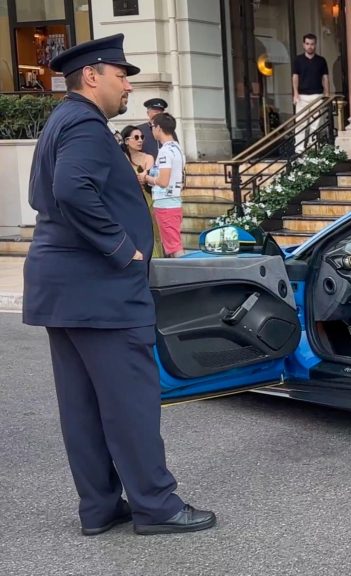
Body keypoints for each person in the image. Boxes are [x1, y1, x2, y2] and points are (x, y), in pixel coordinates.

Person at [22, 35, 215, 536]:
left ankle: (100, 507)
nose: (127, 84)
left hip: (64, 287)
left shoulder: (62, 121)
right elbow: (71, 188)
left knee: (83, 407)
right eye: (120, 75)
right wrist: (120, 247)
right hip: (100, 288)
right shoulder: (84, 124)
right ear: (92, 76)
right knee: (130, 402)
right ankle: (156, 506)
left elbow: (46, 191)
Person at [144, 112, 186, 258]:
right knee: (173, 243)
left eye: (152, 126)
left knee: (174, 246)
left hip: (165, 202)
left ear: (159, 128)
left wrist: (147, 177)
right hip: (174, 201)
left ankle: (184, 275)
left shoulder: (165, 151)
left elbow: (163, 181)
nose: (152, 130)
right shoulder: (177, 148)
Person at [120, 125, 162, 258]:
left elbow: (146, 176)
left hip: (145, 198)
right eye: (136, 137)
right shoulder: (121, 158)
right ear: (126, 141)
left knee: (149, 231)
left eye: (142, 137)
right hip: (127, 201)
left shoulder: (147, 158)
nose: (140, 140)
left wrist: (143, 175)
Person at [292, 33, 329, 153]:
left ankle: (313, 148)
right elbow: (295, 77)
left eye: (312, 44)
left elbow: (325, 78)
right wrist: (295, 93)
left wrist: (327, 94)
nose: (310, 46)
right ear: (303, 45)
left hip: (317, 95)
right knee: (301, 123)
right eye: (307, 44)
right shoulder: (298, 60)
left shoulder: (321, 60)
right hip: (302, 96)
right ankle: (299, 149)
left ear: (315, 45)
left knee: (316, 124)